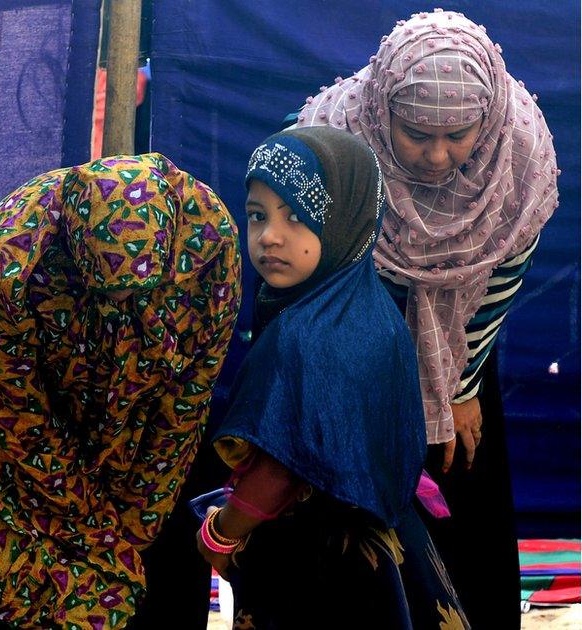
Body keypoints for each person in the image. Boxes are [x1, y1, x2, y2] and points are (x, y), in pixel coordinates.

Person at [293, 10, 559, 627]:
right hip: (357, 345)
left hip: (461, 352)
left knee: (462, 485)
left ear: (487, 120)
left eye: (459, 135)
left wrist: (459, 390)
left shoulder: (516, 147)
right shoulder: (332, 137)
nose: (439, 157)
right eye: (415, 134)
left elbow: (504, 275)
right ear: (382, 109)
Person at [197, 126, 468, 629]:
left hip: (313, 564)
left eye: (297, 218)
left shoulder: (301, 337)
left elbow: (282, 466)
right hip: (388, 546)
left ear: (347, 220)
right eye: (257, 216)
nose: (269, 237)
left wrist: (220, 534)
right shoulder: (374, 311)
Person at [0, 153, 241, 628]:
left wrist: (135, 521)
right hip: (33, 459)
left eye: (139, 296)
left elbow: (189, 397)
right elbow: (11, 407)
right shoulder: (11, 252)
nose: (122, 310)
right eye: (106, 294)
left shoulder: (209, 242)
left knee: (162, 600)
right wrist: (95, 529)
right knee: (27, 595)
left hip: (150, 453)